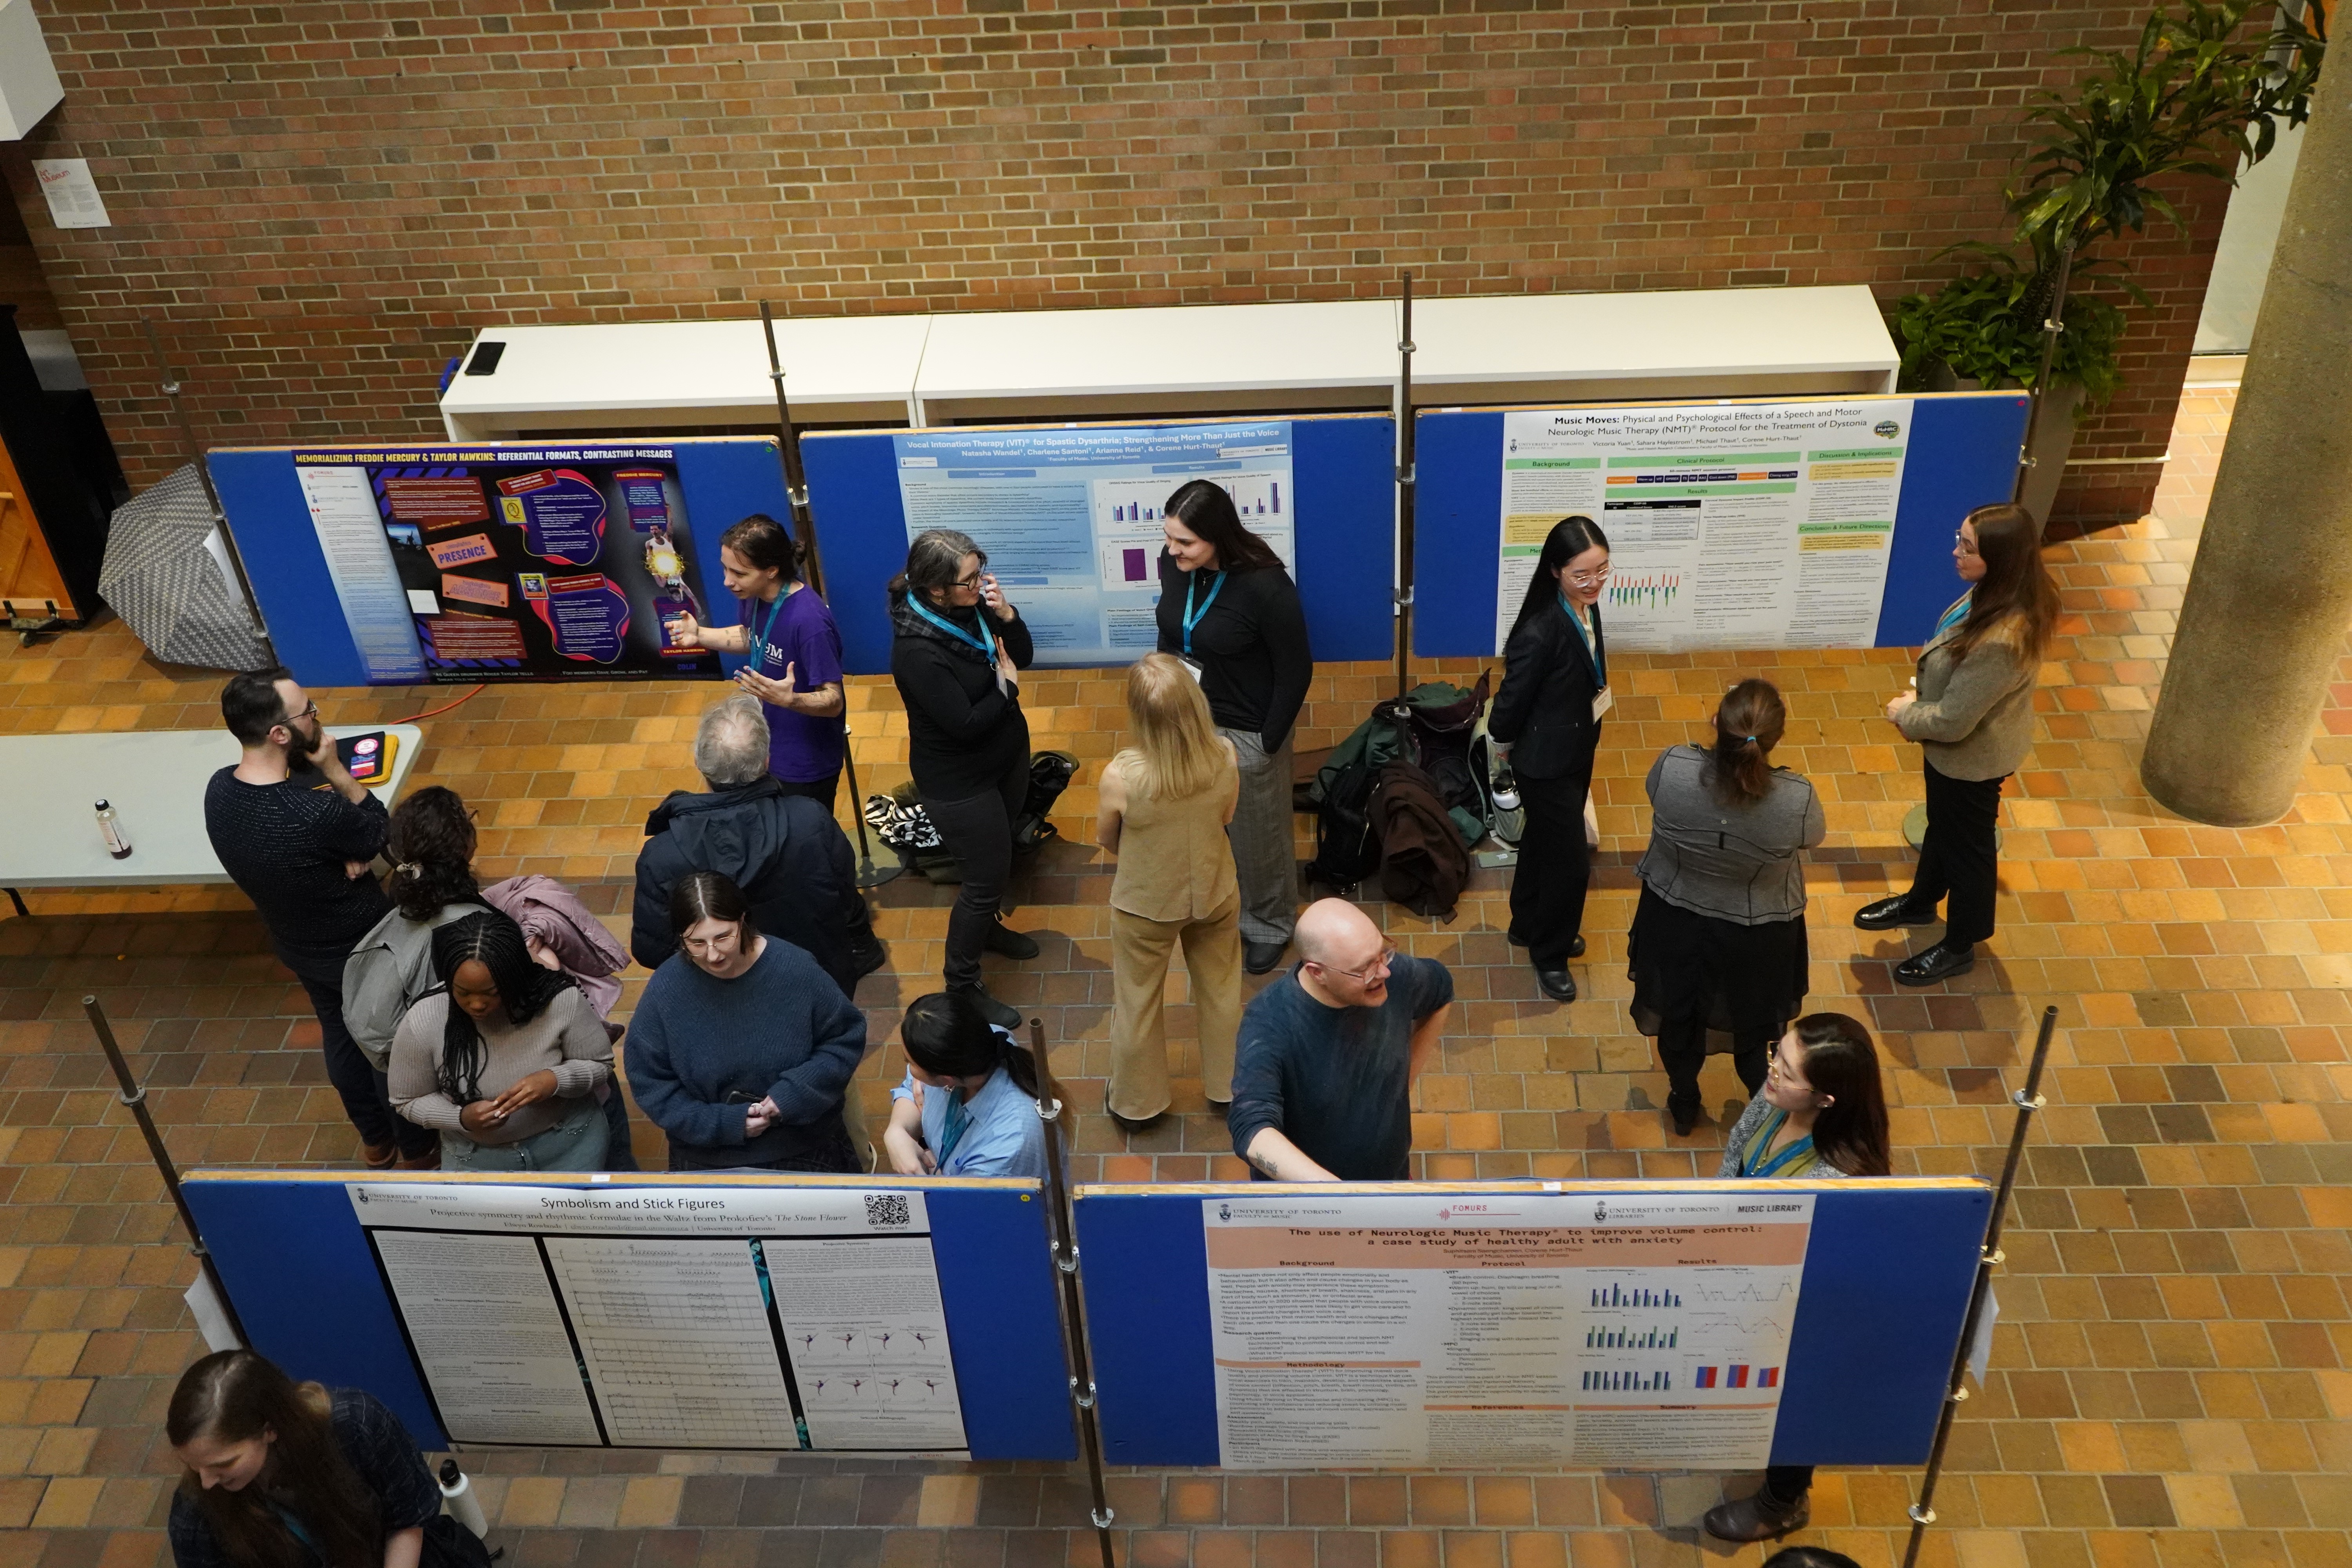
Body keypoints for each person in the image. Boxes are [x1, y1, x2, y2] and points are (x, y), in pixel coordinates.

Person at [202, 668, 437, 1171]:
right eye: (308, 711)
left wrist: (337, 852)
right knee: (384, 1045)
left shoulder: (220, 791)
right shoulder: (311, 816)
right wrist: (335, 769)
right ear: (280, 734)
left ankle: (376, 1142)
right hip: (365, 946)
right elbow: (378, 829)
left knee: (340, 1033)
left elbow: (306, 843)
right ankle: (417, 1149)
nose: (317, 717)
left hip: (299, 945)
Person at [1702, 1013, 1891, 1544]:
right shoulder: (1774, 1099)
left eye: (1786, 1071)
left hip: (1795, 1310)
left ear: (1826, 1099)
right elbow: (1736, 1160)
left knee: (1793, 1404)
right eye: (1776, 1057)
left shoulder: (1842, 1179)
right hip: (1747, 1276)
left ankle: (1781, 1502)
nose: (1771, 1074)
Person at [1859, 502, 2059, 985]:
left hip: (1971, 760)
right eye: (1960, 538)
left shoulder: (2002, 638)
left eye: (1967, 547)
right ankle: (1922, 902)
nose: (1955, 552)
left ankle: (1961, 943)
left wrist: (1907, 712)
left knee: (1969, 850)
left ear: (2002, 558)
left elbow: (1952, 721)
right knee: (1943, 827)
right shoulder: (2000, 592)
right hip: (1960, 755)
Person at [1630, 679, 1825, 1135]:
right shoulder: (1797, 799)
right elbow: (1812, 837)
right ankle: (1764, 1118)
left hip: (1675, 918)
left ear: (1717, 723)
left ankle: (1683, 1100)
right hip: (1758, 934)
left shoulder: (1674, 767)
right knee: (1754, 1033)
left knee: (1679, 1019)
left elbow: (1654, 792)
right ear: (1776, 738)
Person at [1154, 479, 1313, 975]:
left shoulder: (1266, 585)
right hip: (1191, 719)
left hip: (1248, 730)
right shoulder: (1174, 567)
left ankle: (1270, 924)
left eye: (1185, 542)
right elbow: (1171, 630)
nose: (1172, 550)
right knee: (1203, 826)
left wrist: (1267, 743)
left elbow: (1296, 670)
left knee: (1259, 838)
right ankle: (1223, 905)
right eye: (1169, 538)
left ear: (1218, 536)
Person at [631, 694, 882, 1001]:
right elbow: (845, 897)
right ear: (766, 761)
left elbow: (652, 950)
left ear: (698, 762)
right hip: (818, 981)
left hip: (724, 995)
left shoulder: (661, 856)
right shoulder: (810, 820)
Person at [889, 528, 1039, 1030]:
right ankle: (962, 984)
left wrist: (1006, 615)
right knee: (983, 879)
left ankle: (988, 930)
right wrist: (1009, 691)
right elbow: (966, 723)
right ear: (936, 590)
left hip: (1004, 758)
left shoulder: (970, 609)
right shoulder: (917, 651)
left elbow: (1023, 654)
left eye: (981, 573)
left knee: (1002, 856)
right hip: (959, 782)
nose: (982, 584)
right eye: (970, 580)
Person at [626, 871, 867, 1172]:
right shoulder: (666, 988)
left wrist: (793, 1095)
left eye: (723, 937)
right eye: (696, 943)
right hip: (707, 1155)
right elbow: (651, 1083)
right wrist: (724, 1124)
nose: (713, 955)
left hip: (804, 1144)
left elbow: (843, 1040)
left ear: (743, 921)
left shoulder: (795, 969)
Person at [1097, 653, 1243, 1128]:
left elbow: (1107, 838)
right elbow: (1226, 818)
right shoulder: (1224, 754)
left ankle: (1138, 1105)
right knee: (1222, 991)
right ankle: (1229, 1088)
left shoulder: (1122, 776)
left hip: (1146, 903)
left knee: (1138, 1000)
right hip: (1214, 889)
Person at [166, 1348, 481, 1568]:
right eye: (194, 1467)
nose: (207, 1483)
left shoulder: (359, 1426)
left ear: (270, 1429)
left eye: (223, 1465)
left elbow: (407, 1518)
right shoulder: (194, 1514)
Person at [1226, 898, 1454, 1181]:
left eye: (1383, 953)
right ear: (1317, 972)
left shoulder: (1394, 976)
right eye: (1364, 969)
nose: (1383, 972)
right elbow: (1252, 1130)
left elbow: (1442, 991)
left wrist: (1402, 1084)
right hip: (1306, 1207)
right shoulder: (1270, 1021)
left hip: (1389, 1180)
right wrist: (1335, 1194)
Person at [387, 911, 613, 1172]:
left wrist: (555, 1080)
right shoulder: (424, 1019)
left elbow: (600, 1064)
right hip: (476, 1160)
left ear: (514, 979)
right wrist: (461, 1118)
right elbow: (407, 1099)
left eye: (492, 993)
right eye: (463, 993)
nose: (477, 1004)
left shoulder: (559, 1000)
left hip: (570, 1147)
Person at [1490, 515, 1611, 1002]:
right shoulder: (1540, 631)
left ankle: (1528, 923)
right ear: (1555, 571)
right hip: (1545, 762)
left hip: (1576, 745)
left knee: (1543, 844)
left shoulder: (1584, 605)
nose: (1595, 582)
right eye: (1582, 574)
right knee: (1572, 865)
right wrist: (1501, 745)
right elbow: (1509, 704)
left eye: (1602, 569)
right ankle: (1550, 953)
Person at [662, 513, 849, 811]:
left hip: (805, 761)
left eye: (739, 573)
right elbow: (754, 638)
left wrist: (792, 700)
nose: (728, 582)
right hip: (765, 748)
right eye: (725, 569)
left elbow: (834, 700)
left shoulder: (810, 622)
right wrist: (700, 635)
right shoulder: (754, 595)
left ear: (772, 570)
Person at [881, 991, 1058, 1179]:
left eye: (910, 1062)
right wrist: (897, 1131)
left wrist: (934, 1174)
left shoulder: (1009, 1143)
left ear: (947, 1080)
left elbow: (968, 1201)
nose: (909, 1068)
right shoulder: (971, 1044)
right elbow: (912, 1086)